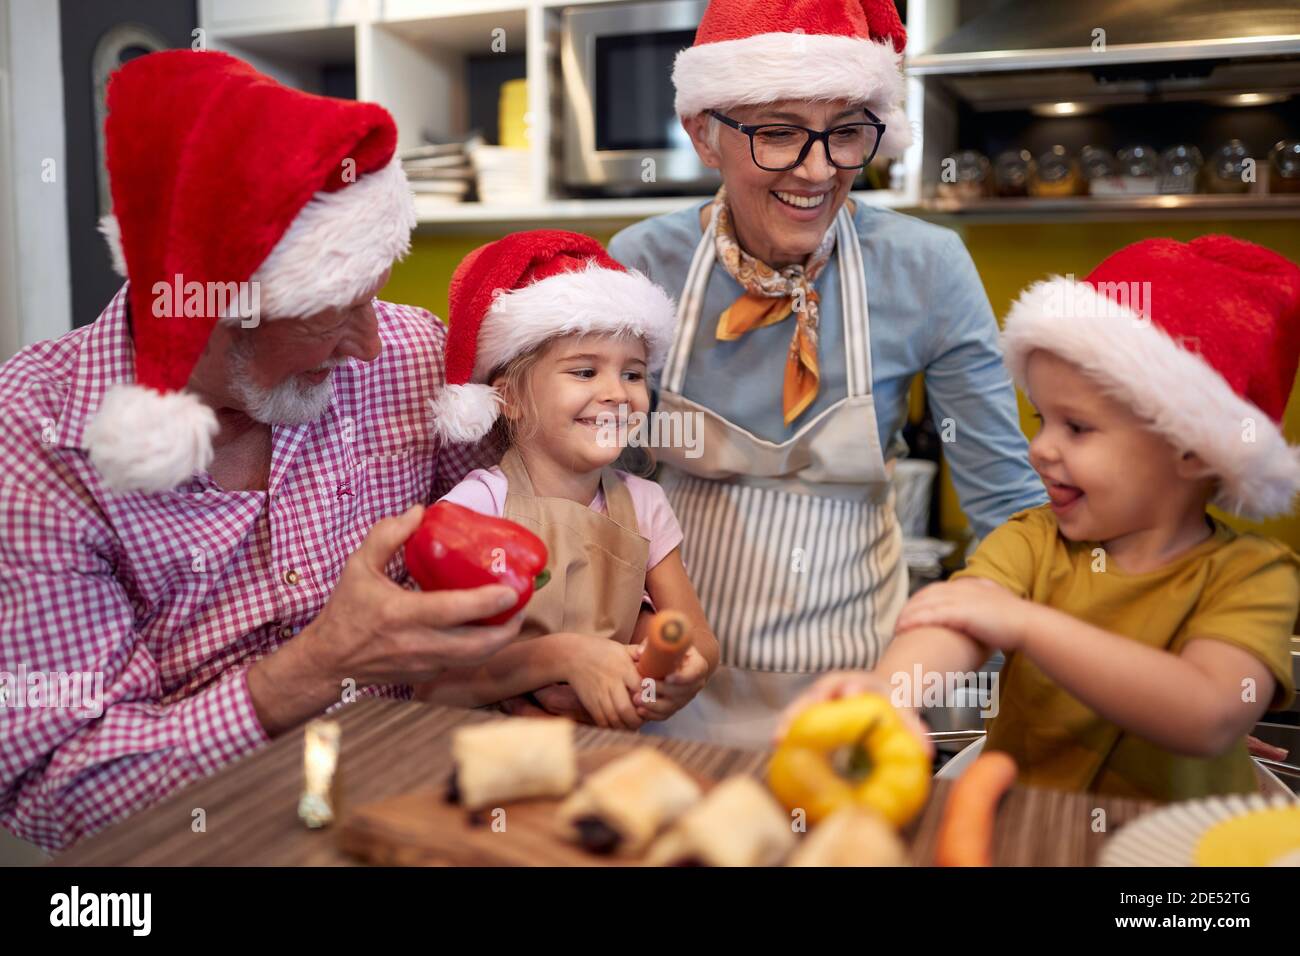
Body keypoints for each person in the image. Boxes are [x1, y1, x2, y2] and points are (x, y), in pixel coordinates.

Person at [0, 51, 520, 853]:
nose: (373, 345)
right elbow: (55, 787)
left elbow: (523, 526)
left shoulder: (415, 360)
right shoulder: (35, 438)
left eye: (372, 296)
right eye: (330, 314)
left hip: (422, 810)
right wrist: (314, 667)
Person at [606, 0, 1045, 747]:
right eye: (778, 133)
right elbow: (597, 493)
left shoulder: (925, 269)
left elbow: (1010, 514)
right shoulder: (644, 264)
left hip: (860, 702)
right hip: (662, 697)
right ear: (703, 133)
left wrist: (1057, 687)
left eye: (846, 132)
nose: (818, 170)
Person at [785, 237, 1300, 800]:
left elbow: (1207, 716)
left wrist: (1027, 624)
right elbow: (952, 624)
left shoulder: (1253, 575)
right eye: (1042, 419)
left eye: (1076, 428)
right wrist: (886, 696)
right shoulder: (1032, 541)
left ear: (1194, 449)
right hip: (1024, 839)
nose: (1041, 448)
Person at [416, 231, 719, 730]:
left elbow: (697, 636)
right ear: (508, 398)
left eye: (633, 374)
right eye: (584, 372)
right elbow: (436, 684)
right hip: (487, 752)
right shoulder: (476, 508)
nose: (616, 394)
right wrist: (563, 657)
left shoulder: (646, 505)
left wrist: (685, 674)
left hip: (605, 752)